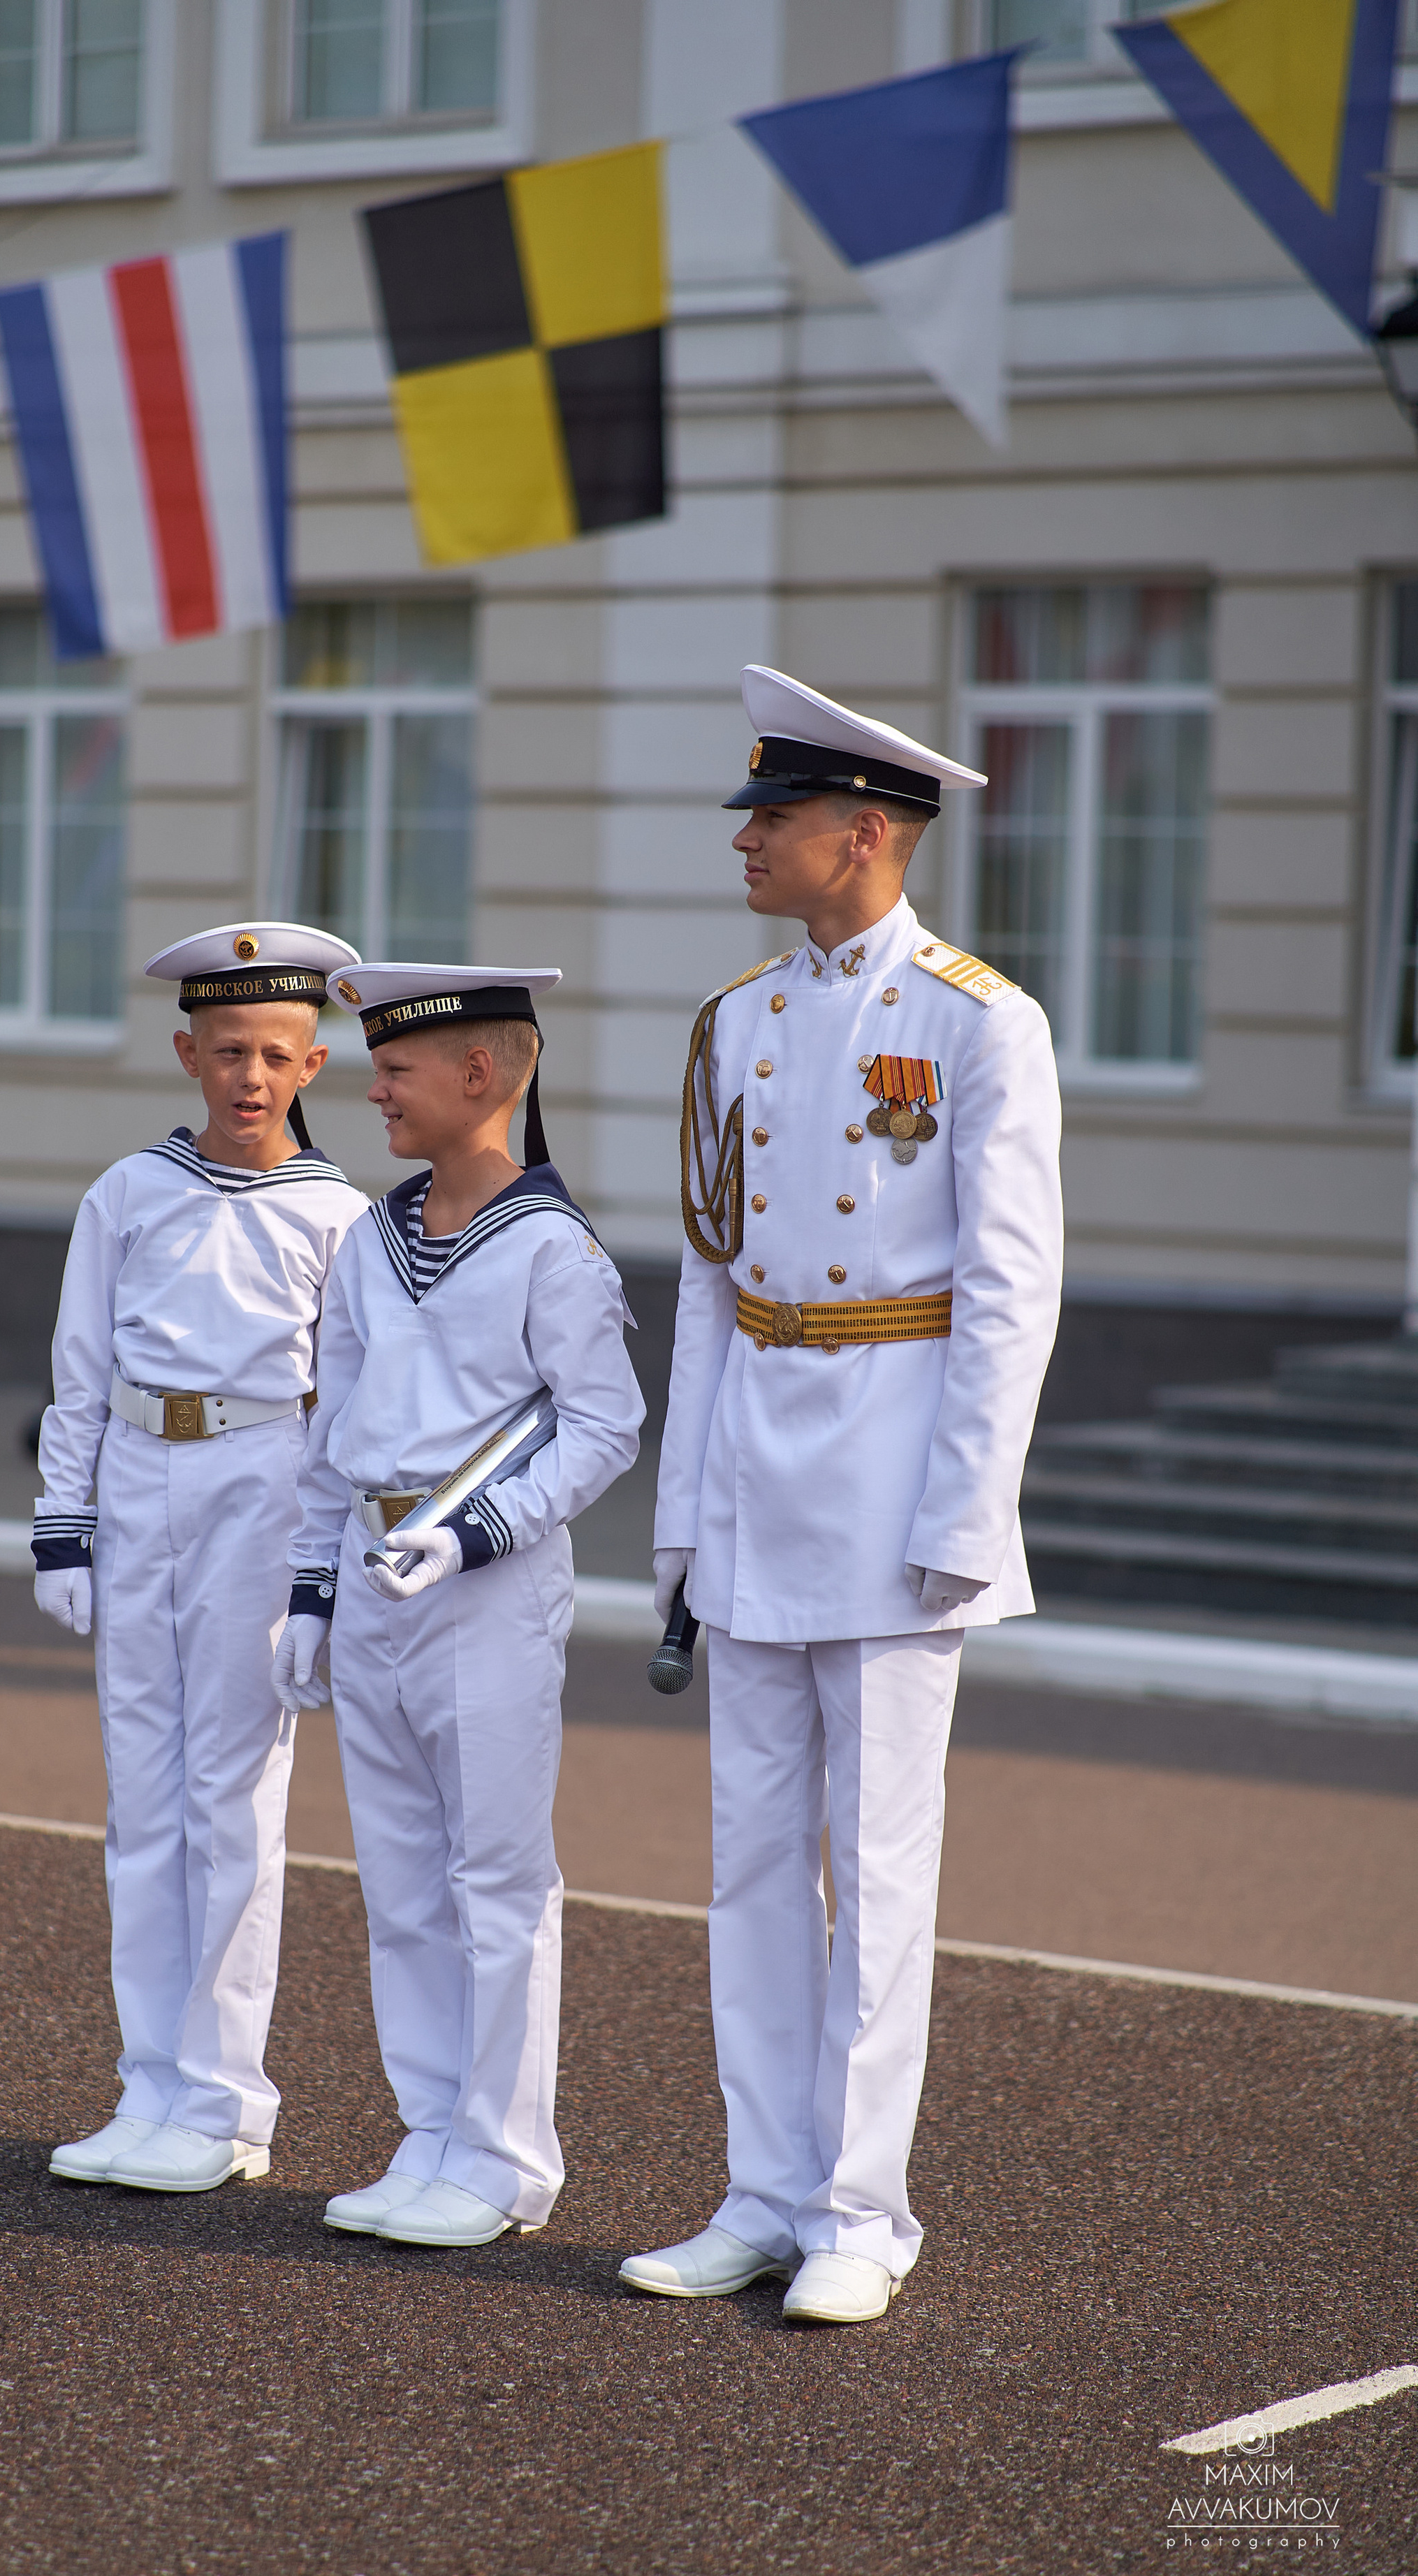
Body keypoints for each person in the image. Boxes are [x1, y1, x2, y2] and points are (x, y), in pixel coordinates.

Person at [620, 666, 1062, 2323]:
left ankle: (860, 2209)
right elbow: (709, 1282)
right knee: (747, 1864)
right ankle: (758, 2184)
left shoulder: (973, 1021)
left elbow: (1008, 1294)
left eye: (772, 818)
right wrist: (678, 1516)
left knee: (873, 1866)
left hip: (889, 1480)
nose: (743, 841)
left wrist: (966, 1512)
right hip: (751, 1473)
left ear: (861, 835)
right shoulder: (737, 1018)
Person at [274, 964, 643, 2250]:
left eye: (397, 1070)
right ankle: (430, 2130)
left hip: (485, 1592)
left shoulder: (554, 1248)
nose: (370, 1088)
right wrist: (312, 1591)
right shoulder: (374, 1236)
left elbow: (604, 1427)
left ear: (482, 1076)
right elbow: (337, 1433)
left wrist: (484, 1528)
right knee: (401, 1883)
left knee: (494, 1878)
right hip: (375, 1586)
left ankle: (502, 2157)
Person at [34, 923, 369, 2195]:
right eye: (228, 1049)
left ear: (314, 1063)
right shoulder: (126, 1193)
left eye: (276, 1054)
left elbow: (343, 1410)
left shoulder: (339, 1218)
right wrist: (64, 1522)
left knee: (232, 1800)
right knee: (144, 1801)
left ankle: (228, 2103)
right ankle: (150, 2083)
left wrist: (316, 1571)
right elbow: (79, 1369)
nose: (250, 1075)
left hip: (260, 1481)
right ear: (186, 1051)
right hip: (137, 1476)